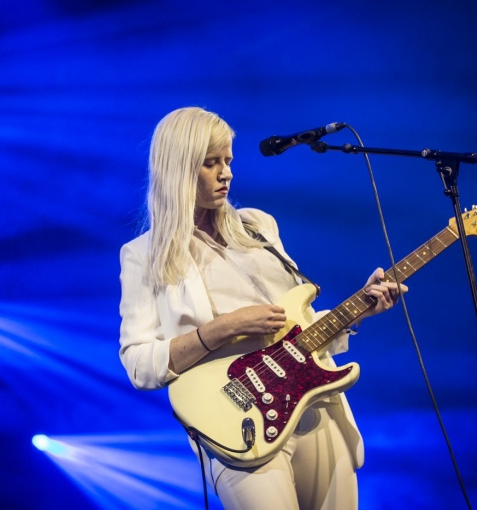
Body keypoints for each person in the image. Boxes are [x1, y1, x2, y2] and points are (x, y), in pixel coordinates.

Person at [118, 106, 407, 510]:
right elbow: (138, 364)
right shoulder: (144, 256)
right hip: (239, 425)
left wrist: (359, 309)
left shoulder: (258, 226)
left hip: (314, 407)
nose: (227, 173)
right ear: (178, 168)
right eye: (210, 162)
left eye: (229, 161)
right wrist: (221, 329)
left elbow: (296, 330)